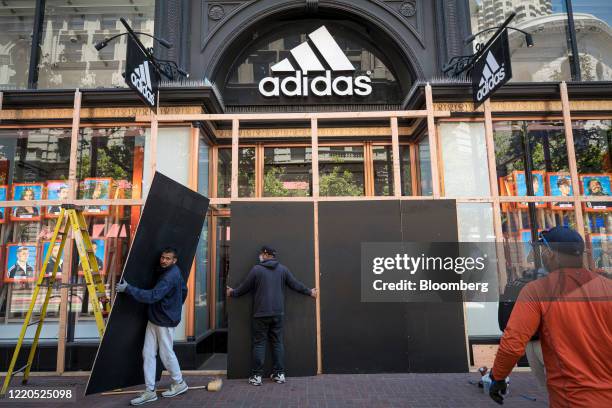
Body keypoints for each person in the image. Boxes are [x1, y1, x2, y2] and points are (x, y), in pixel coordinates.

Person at [488, 226, 612, 407]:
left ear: (550, 253)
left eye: (542, 250)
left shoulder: (536, 291)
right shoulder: (607, 287)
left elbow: (513, 342)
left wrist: (498, 376)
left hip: (572, 399)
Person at [226, 246, 317, 386]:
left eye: (261, 254)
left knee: (259, 344)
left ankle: (256, 376)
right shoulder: (282, 269)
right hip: (277, 313)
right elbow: (295, 284)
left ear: (266, 254)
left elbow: (244, 287)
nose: (260, 256)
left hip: (260, 314)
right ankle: (279, 374)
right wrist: (309, 292)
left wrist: (232, 293)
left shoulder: (257, 269)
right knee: (277, 343)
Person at [116, 247, 188, 405]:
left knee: (166, 354)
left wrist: (128, 289)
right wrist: (174, 307)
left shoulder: (169, 276)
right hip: (155, 319)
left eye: (168, 258)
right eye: (163, 257)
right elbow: (184, 290)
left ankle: (179, 383)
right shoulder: (170, 271)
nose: (164, 260)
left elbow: (153, 296)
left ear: (174, 261)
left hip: (164, 321)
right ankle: (150, 391)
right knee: (147, 353)